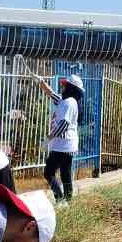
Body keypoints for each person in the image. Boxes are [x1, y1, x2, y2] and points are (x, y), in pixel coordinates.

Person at [34, 73, 82, 202]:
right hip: (67, 144)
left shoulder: (68, 103)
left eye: (65, 86)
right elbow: (51, 94)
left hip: (63, 145)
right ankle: (67, 201)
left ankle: (60, 199)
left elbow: (63, 125)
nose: (63, 87)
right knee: (65, 174)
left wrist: (48, 139)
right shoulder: (67, 101)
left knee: (48, 172)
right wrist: (41, 82)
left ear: (71, 88)